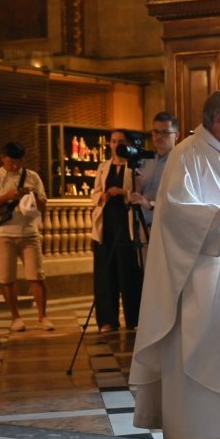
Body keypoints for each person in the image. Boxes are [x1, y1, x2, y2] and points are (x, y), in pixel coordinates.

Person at [129, 89, 220, 439]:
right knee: (201, 351)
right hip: (199, 278)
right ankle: (194, 432)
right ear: (219, 120)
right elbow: (173, 213)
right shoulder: (188, 154)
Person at [0, 142, 54, 332]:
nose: (15, 165)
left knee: (36, 275)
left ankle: (42, 316)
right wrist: (7, 197)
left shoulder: (32, 176)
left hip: (29, 232)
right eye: (12, 161)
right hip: (3, 234)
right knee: (7, 278)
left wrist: (32, 196)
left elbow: (43, 205)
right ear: (2, 158)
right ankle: (15, 317)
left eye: (19, 161)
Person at [90, 129, 143, 333]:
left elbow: (139, 193)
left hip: (126, 222)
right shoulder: (103, 167)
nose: (116, 145)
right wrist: (102, 195)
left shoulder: (133, 168)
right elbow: (94, 193)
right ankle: (107, 319)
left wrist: (122, 192)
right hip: (106, 225)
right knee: (105, 273)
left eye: (120, 141)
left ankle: (134, 318)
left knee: (128, 272)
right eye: (113, 141)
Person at [128, 111, 180, 239]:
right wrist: (137, 188)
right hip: (143, 226)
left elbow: (179, 199)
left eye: (165, 133)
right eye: (156, 132)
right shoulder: (146, 161)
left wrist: (150, 204)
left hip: (168, 228)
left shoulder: (181, 162)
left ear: (176, 135)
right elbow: (135, 194)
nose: (159, 137)